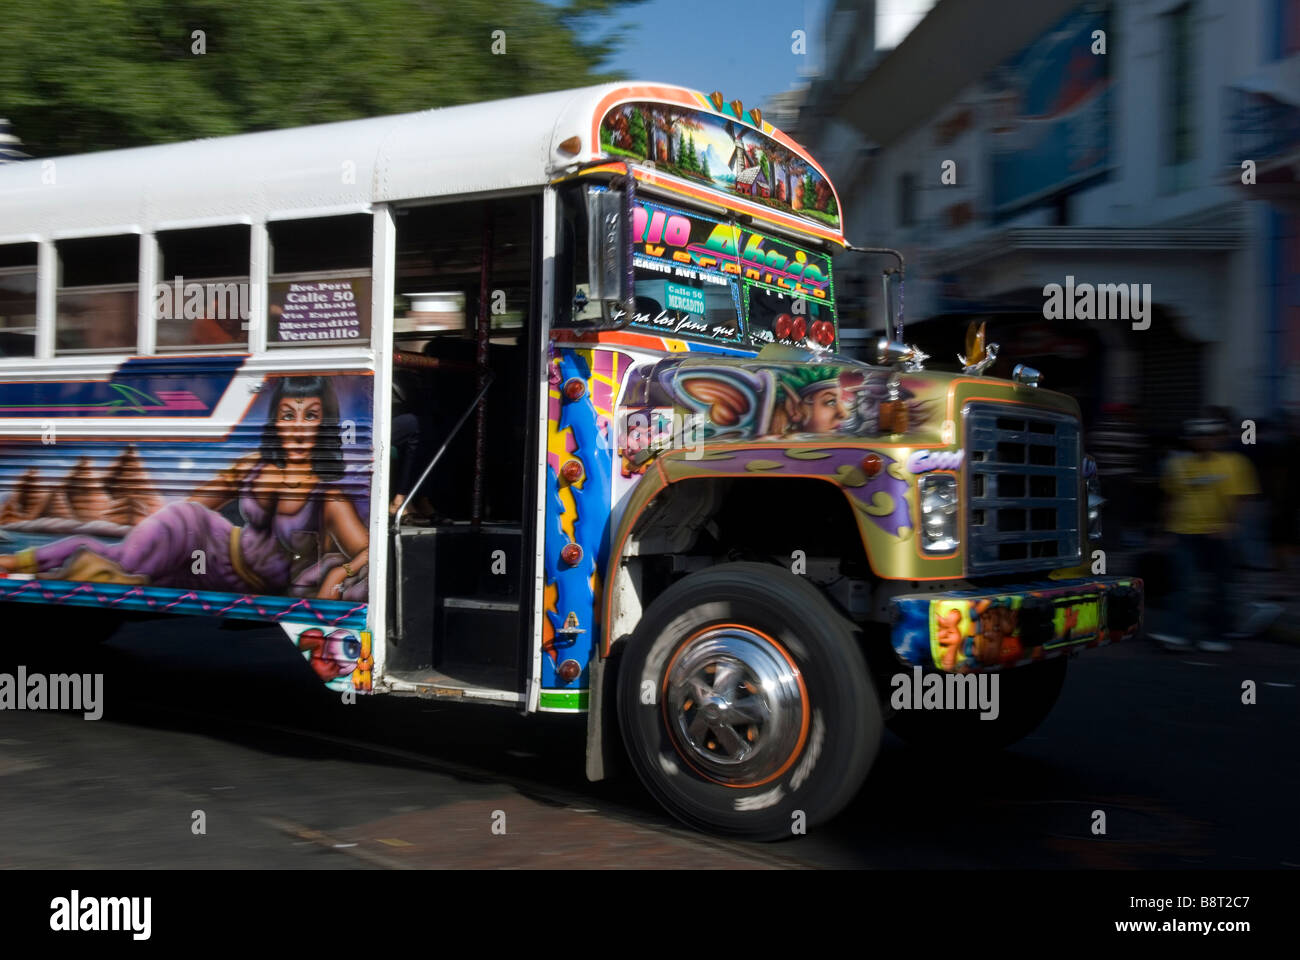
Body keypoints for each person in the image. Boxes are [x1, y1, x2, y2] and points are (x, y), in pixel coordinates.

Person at [0, 376, 370, 601]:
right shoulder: (253, 465)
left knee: (118, 565)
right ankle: (16, 562)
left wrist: (341, 574)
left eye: (311, 416)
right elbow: (196, 505)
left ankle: (27, 565)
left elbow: (367, 551)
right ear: (276, 421)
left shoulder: (330, 497)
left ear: (326, 423)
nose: (299, 428)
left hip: (236, 576)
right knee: (124, 562)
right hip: (208, 543)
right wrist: (161, 529)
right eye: (288, 415)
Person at [1150, 414, 1260, 653]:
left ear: (1219, 437)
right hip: (1183, 531)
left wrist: (1231, 525)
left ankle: (1215, 635)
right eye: (1198, 435)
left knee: (1219, 587)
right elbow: (1169, 498)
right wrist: (1163, 530)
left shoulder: (1234, 463)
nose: (1204, 440)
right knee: (1183, 584)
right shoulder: (1177, 465)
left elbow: (1244, 498)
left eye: (1209, 434)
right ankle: (1177, 633)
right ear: (1190, 439)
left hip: (1218, 534)